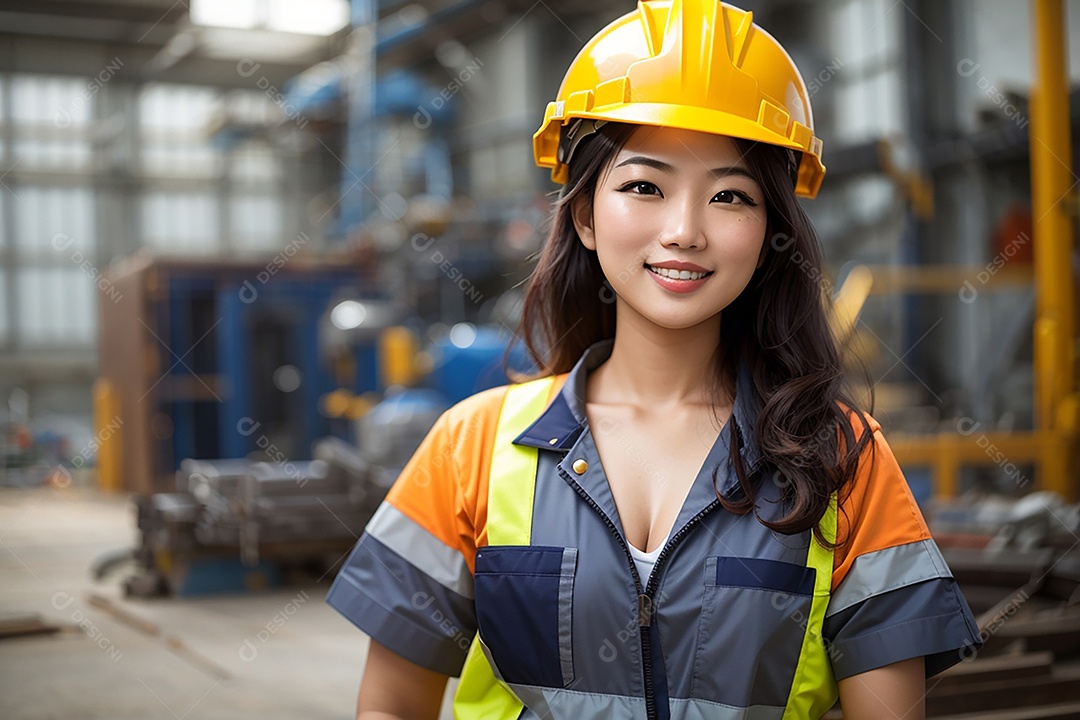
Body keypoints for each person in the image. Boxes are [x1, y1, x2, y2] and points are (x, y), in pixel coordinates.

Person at [325, 1, 983, 718]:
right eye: (644, 185)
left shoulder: (841, 458)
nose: (684, 230)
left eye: (730, 196)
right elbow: (389, 707)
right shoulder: (472, 447)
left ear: (771, 231)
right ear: (585, 215)